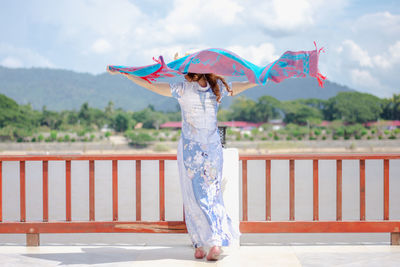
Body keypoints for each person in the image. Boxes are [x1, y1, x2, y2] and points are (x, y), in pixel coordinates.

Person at [108, 68, 256, 260]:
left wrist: (126, 74)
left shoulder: (182, 89)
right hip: (212, 150)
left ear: (188, 73)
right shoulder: (216, 87)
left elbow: (149, 85)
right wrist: (260, 79)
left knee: (192, 195)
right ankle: (214, 242)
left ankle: (201, 244)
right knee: (211, 194)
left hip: (191, 150)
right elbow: (242, 86)